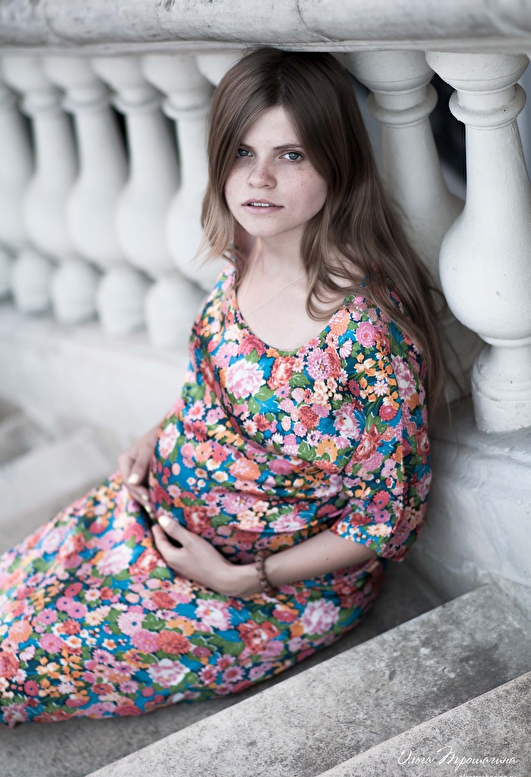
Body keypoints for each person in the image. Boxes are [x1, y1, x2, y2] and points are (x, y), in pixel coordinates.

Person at [0, 47, 444, 728]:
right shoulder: (248, 249)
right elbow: (222, 382)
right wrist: (156, 436)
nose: (258, 178)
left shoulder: (366, 338)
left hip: (252, 591)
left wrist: (244, 578)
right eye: (241, 152)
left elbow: (385, 519)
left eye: (290, 155)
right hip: (147, 514)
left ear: (337, 161)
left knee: (18, 658)